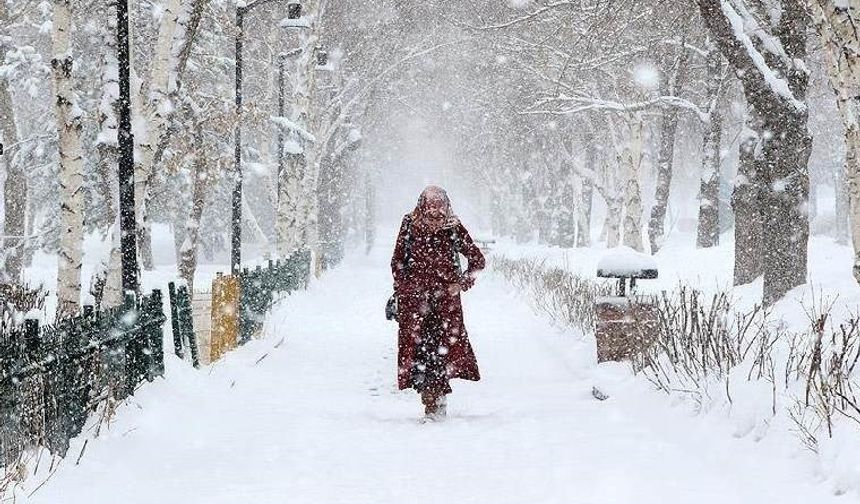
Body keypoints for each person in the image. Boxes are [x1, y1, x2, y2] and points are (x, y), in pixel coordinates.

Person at [390, 186, 485, 420]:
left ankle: (436, 400)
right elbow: (397, 261)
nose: (435, 219)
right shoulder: (410, 224)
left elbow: (477, 261)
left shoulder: (453, 227)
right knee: (419, 353)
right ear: (422, 207)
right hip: (415, 305)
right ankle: (430, 398)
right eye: (431, 212)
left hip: (446, 306)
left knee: (440, 352)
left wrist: (461, 284)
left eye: (439, 214)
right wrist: (405, 288)